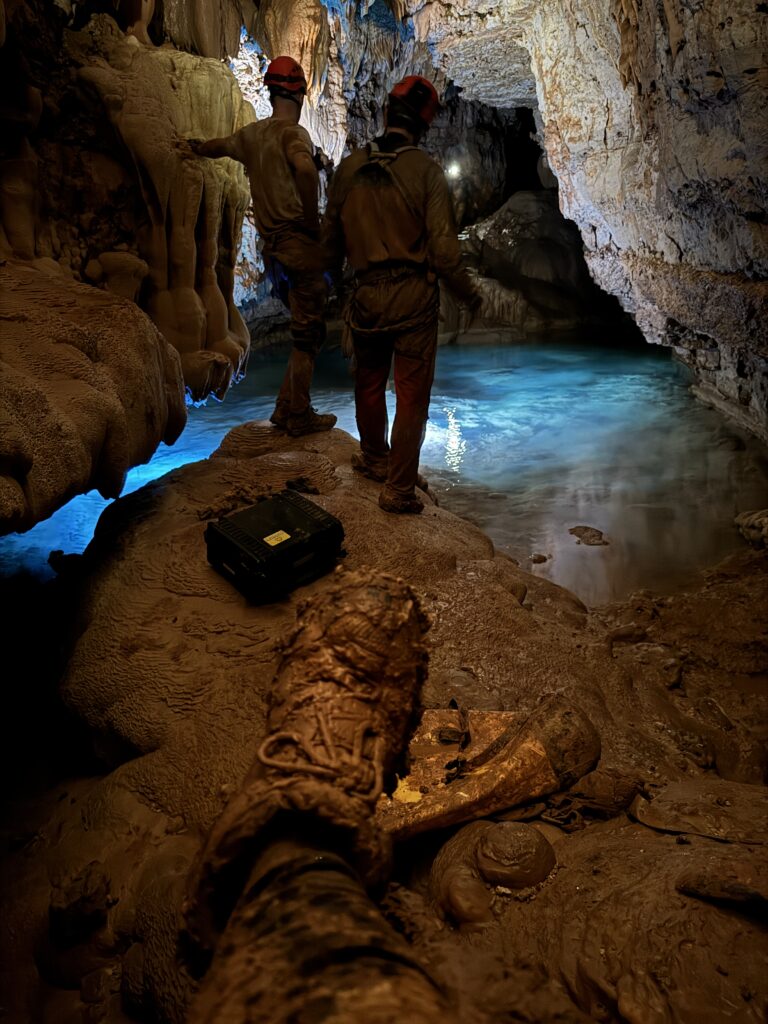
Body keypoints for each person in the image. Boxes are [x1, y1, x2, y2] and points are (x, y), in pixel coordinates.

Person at [323, 75, 481, 514]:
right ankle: (398, 489)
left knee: (369, 382)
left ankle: (374, 457)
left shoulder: (350, 168)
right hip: (413, 300)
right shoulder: (426, 173)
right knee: (411, 396)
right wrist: (468, 295)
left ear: (387, 114)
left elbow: (329, 246)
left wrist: (332, 292)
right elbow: (446, 254)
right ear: (423, 127)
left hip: (368, 297)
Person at [191, 56, 336, 437]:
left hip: (272, 251)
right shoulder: (293, 134)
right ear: (299, 94)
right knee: (310, 332)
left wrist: (193, 148)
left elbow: (219, 145)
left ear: (272, 93)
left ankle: (284, 407)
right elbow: (304, 170)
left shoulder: (252, 135)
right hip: (297, 243)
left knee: (306, 329)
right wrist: (310, 219)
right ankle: (298, 414)